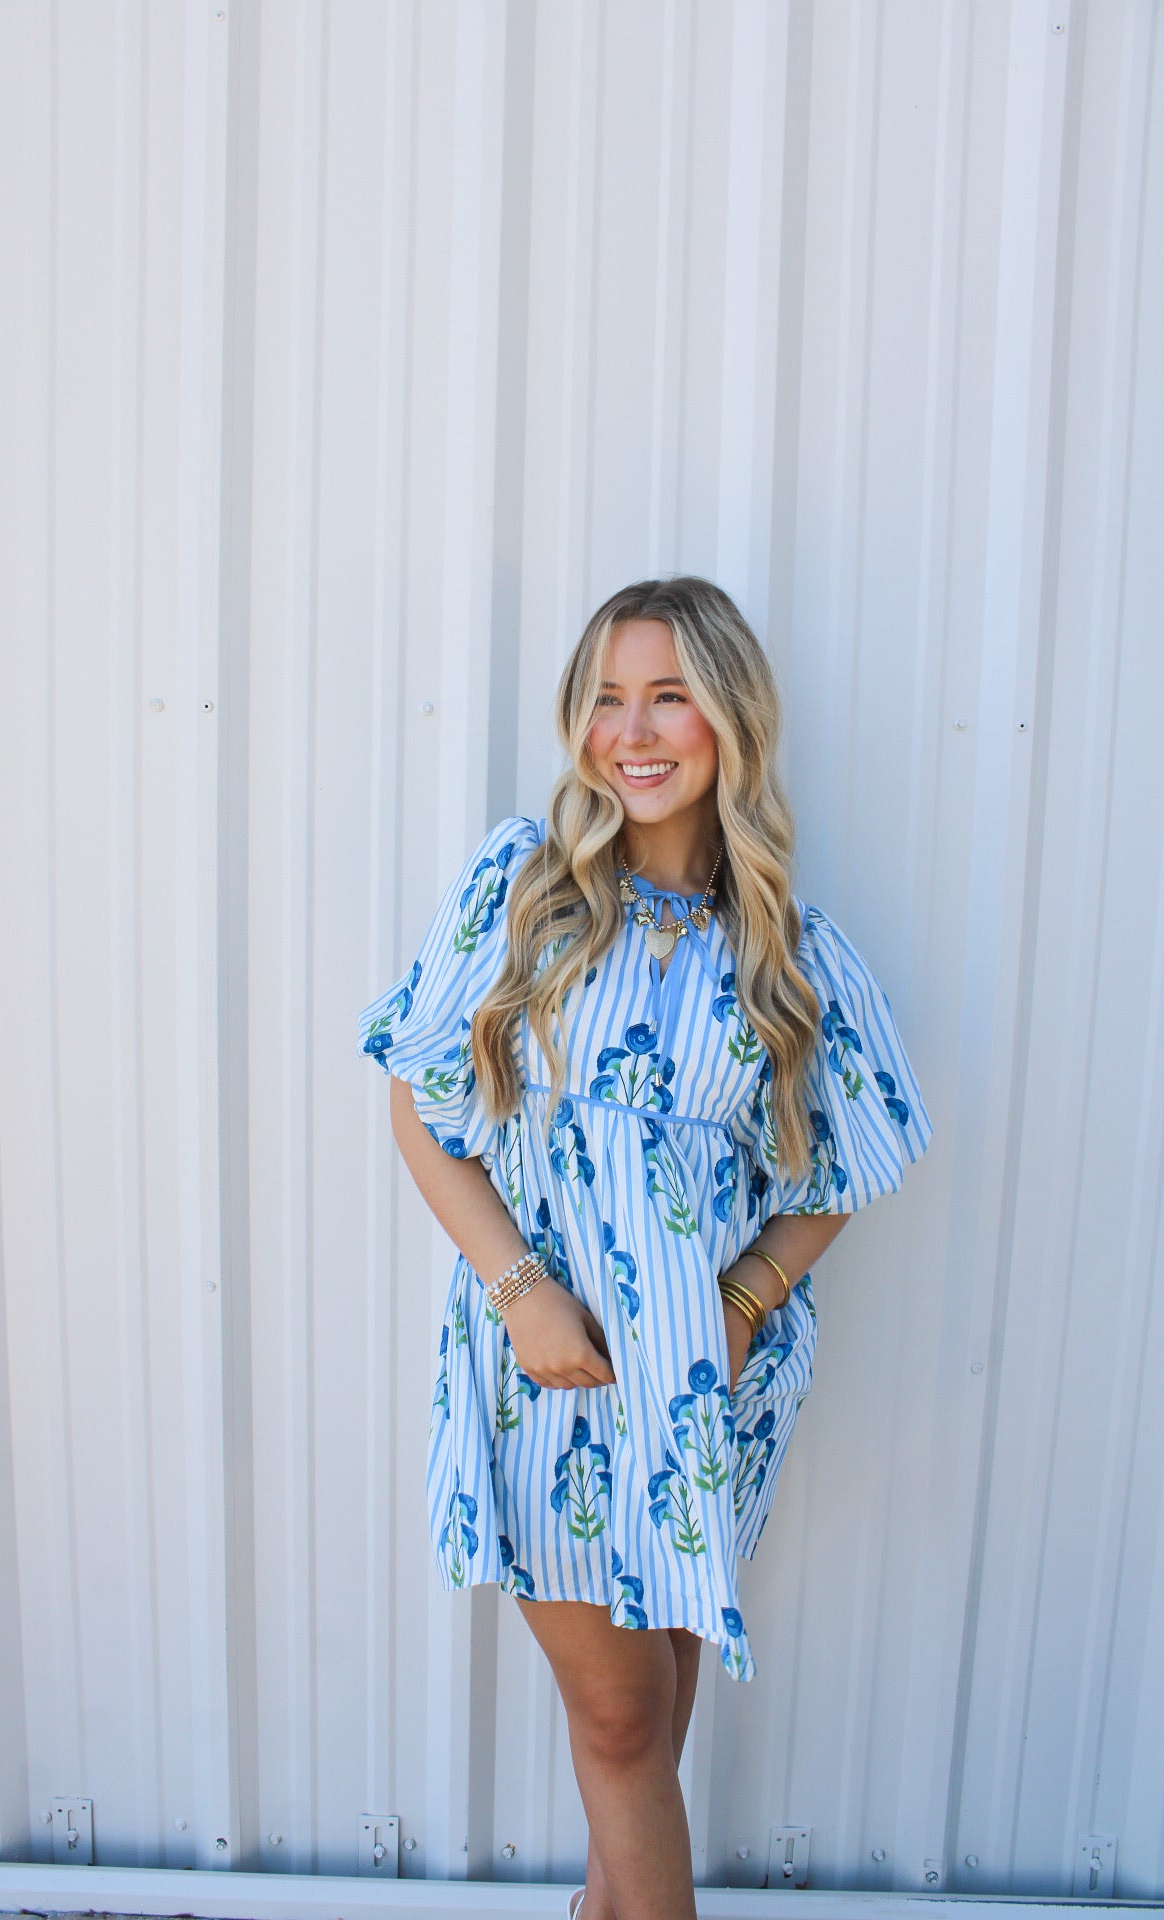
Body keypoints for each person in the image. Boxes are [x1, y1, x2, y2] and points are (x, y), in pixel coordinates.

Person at [356, 576, 933, 1920]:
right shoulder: (522, 890)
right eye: (608, 697)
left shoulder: (790, 953)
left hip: (701, 1392)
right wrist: (522, 1294)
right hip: (546, 1369)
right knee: (620, 1729)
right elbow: (419, 1101)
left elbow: (852, 1162)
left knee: (648, 1722)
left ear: (729, 717)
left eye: (668, 693)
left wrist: (746, 1297)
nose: (634, 729)